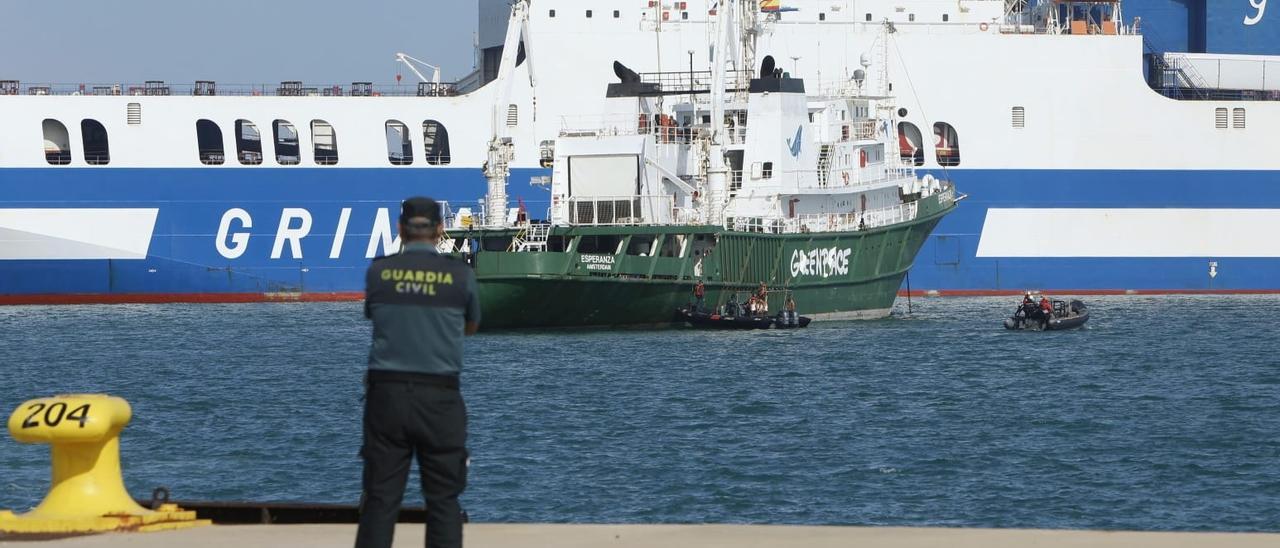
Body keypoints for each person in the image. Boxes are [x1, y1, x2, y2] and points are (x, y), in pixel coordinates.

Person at [356, 196, 480, 548]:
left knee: (380, 500)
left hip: (386, 397)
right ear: (441, 230)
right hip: (439, 399)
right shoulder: (461, 275)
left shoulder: (378, 272)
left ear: (400, 229)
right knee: (443, 501)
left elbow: (375, 315)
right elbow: (470, 325)